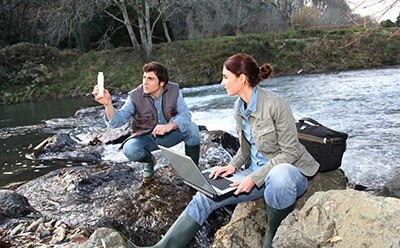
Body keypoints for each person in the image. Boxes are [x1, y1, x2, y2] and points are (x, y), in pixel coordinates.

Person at [129, 53, 320, 248]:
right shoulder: (239, 107)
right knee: (205, 195)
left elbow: (290, 153)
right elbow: (245, 151)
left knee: (280, 175)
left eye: (226, 77)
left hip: (287, 173)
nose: (222, 83)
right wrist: (231, 166)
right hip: (253, 174)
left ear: (242, 79)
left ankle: (270, 239)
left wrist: (253, 179)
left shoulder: (275, 104)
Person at [92, 62, 201, 181]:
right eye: (144, 77)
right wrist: (108, 104)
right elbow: (116, 122)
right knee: (130, 149)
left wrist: (170, 125)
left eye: (150, 79)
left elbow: (185, 115)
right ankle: (149, 162)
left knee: (192, 129)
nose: (145, 82)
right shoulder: (134, 96)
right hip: (147, 138)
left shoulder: (174, 91)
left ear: (162, 83)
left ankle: (193, 171)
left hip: (171, 135)